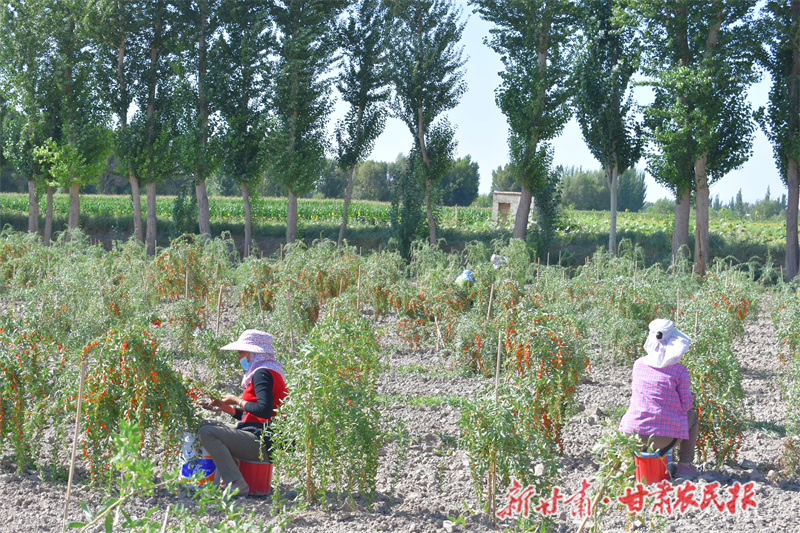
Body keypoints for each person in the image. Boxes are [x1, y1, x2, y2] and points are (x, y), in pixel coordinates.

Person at [198, 329, 287, 496]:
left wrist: (236, 400)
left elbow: (264, 411)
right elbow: (255, 416)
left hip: (262, 442)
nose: (239, 357)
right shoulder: (268, 371)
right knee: (204, 424)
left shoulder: (262, 373)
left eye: (241, 352)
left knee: (207, 432)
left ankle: (236, 482)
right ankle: (230, 478)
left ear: (253, 352)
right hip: (258, 435)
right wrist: (229, 409)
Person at [619, 319, 701, 479]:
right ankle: (685, 465)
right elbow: (685, 406)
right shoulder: (679, 371)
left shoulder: (638, 364)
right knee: (692, 416)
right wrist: (690, 396)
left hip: (633, 436)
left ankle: (627, 463)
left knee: (628, 415)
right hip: (663, 440)